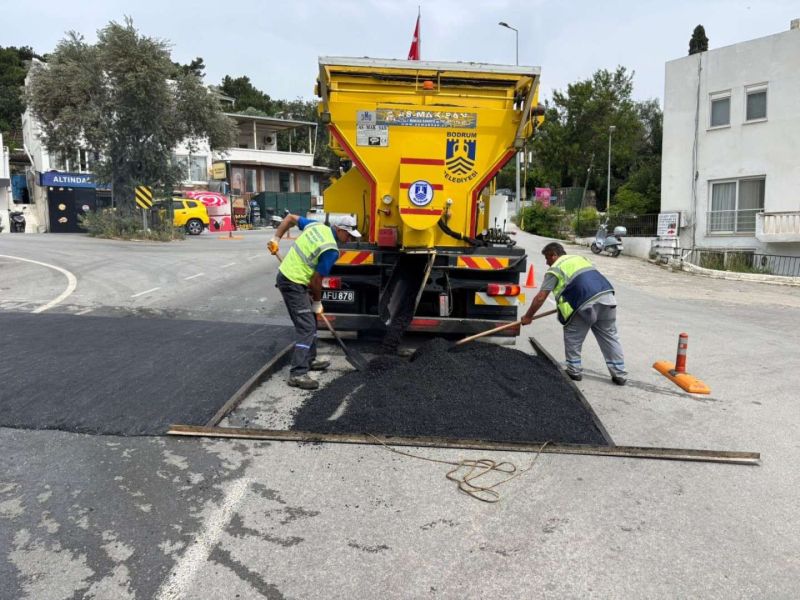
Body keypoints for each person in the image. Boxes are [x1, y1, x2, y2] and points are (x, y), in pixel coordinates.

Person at [268, 214, 361, 390]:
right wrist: (317, 301)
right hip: (293, 282)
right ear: (339, 230)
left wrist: (276, 238)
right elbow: (316, 281)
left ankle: (310, 359)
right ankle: (298, 373)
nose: (348, 240)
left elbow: (289, 218)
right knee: (307, 327)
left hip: (294, 279)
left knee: (310, 320)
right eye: (348, 235)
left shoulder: (316, 226)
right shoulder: (331, 250)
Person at [520, 242, 627, 385]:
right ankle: (619, 374)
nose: (546, 263)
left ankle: (574, 371)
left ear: (554, 255)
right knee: (609, 336)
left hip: (583, 303)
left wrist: (528, 316)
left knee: (573, 336)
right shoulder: (580, 259)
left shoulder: (555, 269)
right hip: (607, 297)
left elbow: (541, 297)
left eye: (547, 258)